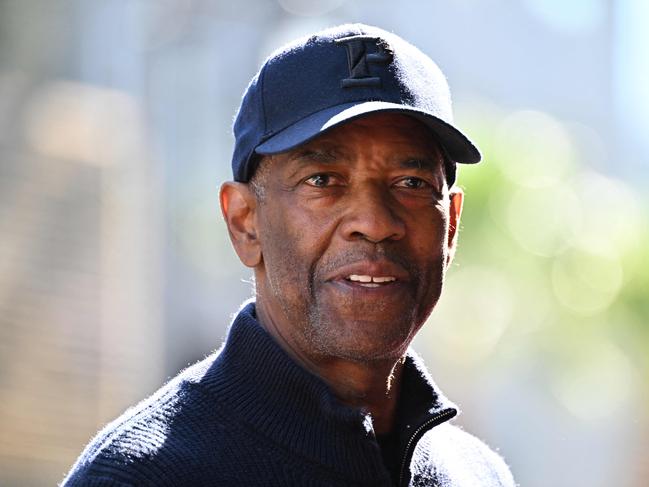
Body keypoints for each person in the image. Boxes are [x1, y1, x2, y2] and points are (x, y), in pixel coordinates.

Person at [62, 24, 515, 486]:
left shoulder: (478, 475)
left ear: (451, 225)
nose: (375, 222)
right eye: (322, 180)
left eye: (412, 184)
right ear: (244, 222)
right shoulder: (145, 475)